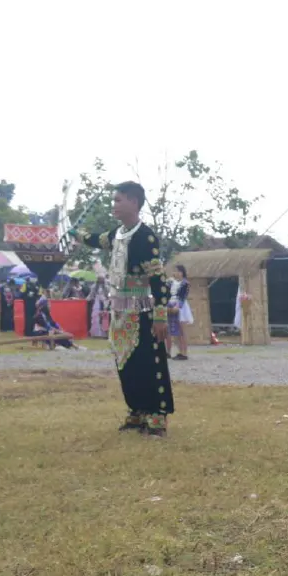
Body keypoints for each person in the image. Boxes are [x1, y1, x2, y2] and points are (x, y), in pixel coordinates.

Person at [72, 181, 174, 436]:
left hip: (142, 311)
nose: (114, 205)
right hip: (120, 312)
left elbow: (158, 277)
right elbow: (97, 239)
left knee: (148, 363)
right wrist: (78, 234)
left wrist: (160, 316)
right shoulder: (117, 234)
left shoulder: (145, 236)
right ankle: (136, 411)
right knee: (125, 363)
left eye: (118, 200)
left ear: (134, 202)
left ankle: (156, 417)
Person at [166, 264, 192, 360]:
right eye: (174, 271)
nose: (175, 273)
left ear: (181, 272)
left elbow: (183, 296)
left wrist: (178, 306)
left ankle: (184, 353)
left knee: (182, 331)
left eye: (177, 271)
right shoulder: (170, 282)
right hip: (170, 305)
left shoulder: (185, 283)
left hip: (181, 307)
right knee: (174, 331)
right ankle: (178, 351)